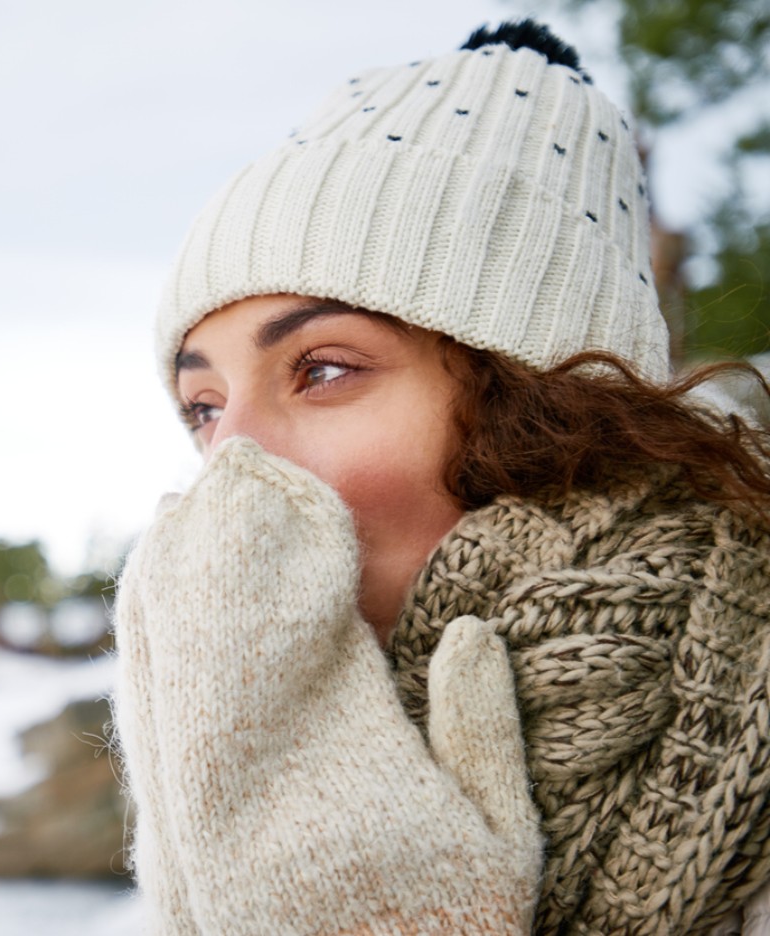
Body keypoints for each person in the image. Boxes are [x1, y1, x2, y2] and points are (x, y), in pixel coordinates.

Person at [110, 19, 770, 936]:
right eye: (205, 409)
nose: (235, 470)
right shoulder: (237, 832)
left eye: (323, 370)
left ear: (536, 405)